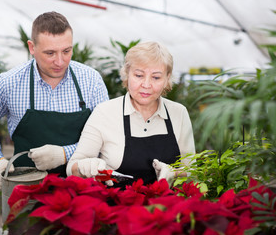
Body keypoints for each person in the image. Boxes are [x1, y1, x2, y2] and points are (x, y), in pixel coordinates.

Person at [0, 11, 109, 189]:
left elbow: (105, 134)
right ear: (32, 47)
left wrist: (65, 154)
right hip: (26, 188)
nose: (60, 61)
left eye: (66, 51)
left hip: (80, 188)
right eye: (50, 53)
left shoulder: (91, 81)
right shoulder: (8, 83)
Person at [66, 41, 195, 187]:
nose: (146, 85)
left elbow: (192, 170)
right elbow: (72, 168)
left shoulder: (179, 113)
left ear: (167, 79)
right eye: (139, 75)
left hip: (166, 206)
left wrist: (175, 173)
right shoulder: (104, 112)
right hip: (117, 206)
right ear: (127, 74)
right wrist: (86, 166)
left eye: (156, 77)